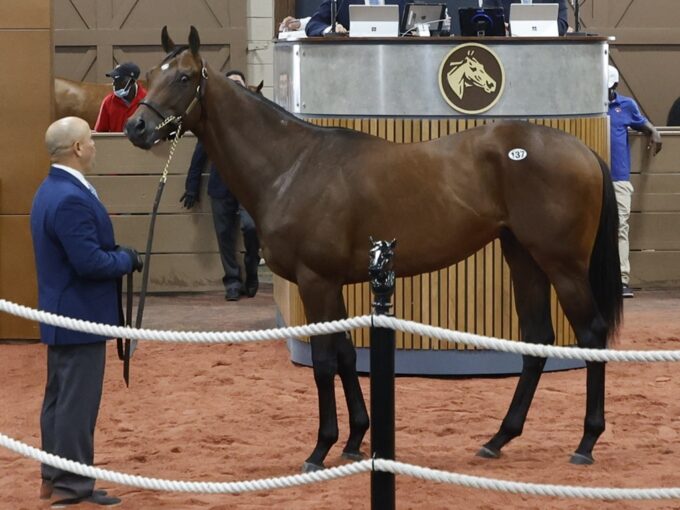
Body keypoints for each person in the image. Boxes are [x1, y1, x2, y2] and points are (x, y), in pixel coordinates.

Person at [31, 117, 143, 507]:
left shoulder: (52, 190)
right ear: (77, 148)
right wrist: (126, 259)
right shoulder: (71, 197)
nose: (95, 144)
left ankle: (54, 478)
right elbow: (90, 263)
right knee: (76, 404)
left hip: (65, 313)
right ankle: (71, 486)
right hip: (79, 315)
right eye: (90, 139)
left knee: (60, 400)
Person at [180, 71, 261, 302]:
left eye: (239, 84)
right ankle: (233, 281)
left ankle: (252, 268)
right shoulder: (214, 119)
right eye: (231, 84)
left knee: (250, 227)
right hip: (221, 185)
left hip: (248, 187)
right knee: (224, 235)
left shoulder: (255, 117)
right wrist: (191, 187)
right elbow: (199, 155)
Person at [607, 65, 662, 298]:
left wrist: (653, 130)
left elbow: (641, 121)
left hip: (618, 177)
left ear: (615, 86)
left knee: (620, 227)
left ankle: (621, 279)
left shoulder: (626, 105)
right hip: (591, 177)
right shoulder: (588, 104)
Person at [94, 62, 147, 132]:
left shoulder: (147, 101)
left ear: (131, 82)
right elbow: (100, 132)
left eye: (119, 80)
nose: (114, 84)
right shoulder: (108, 102)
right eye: (114, 80)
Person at [305, 0, 407, 36]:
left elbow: (414, 21)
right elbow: (313, 24)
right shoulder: (340, 1)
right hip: (352, 59)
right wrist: (331, 30)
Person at [482, 0, 569, 36]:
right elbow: (486, 21)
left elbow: (562, 25)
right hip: (507, 51)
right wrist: (500, 26)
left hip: (547, 50)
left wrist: (523, 28)